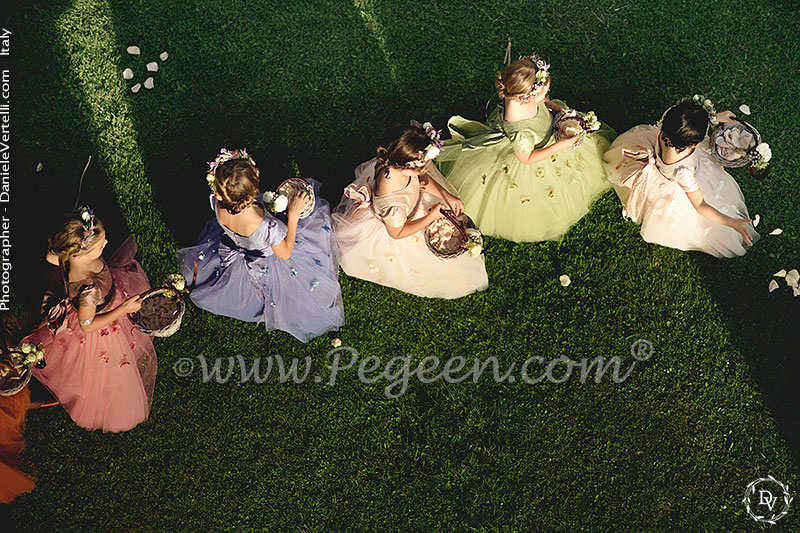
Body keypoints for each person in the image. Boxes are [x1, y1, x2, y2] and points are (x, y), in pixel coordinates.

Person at [437, 54, 615, 242]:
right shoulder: (518, 125)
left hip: (544, 132)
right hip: (534, 153)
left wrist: (553, 106)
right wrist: (561, 145)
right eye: (543, 91)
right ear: (526, 97)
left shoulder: (521, 95)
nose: (546, 93)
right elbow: (526, 158)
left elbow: (542, 101)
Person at [177, 149, 344, 342]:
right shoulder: (267, 227)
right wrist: (293, 214)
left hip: (232, 247)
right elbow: (285, 253)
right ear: (253, 190)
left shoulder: (219, 204)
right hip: (265, 262)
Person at [22, 207, 157, 432]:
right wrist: (123, 308)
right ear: (78, 255)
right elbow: (87, 326)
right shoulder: (88, 289)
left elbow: (50, 256)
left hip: (93, 302)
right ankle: (111, 410)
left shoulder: (65, 258)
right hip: (100, 326)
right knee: (107, 374)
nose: (106, 244)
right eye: (100, 245)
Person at [332, 123, 488, 298]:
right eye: (421, 167)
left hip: (412, 205)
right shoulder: (391, 202)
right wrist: (431, 217)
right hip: (401, 227)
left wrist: (445, 195)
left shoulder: (396, 166)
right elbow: (398, 232)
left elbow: (421, 178)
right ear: (406, 167)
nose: (426, 169)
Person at [603, 98, 758, 257]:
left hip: (662, 162)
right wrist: (731, 222)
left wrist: (716, 117)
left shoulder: (669, 121)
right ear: (694, 145)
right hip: (673, 180)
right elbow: (700, 205)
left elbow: (686, 118)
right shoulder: (683, 171)